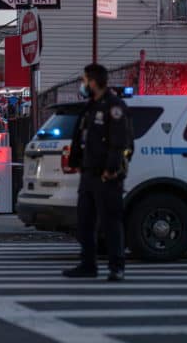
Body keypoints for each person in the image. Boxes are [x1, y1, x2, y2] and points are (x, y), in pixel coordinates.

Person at [63, 63, 133, 282]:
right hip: (88, 173)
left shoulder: (114, 106)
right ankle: (88, 264)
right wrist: (76, 161)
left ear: (93, 82)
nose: (83, 85)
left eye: (85, 80)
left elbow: (119, 141)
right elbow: (82, 137)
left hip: (107, 175)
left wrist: (111, 169)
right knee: (85, 221)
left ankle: (116, 267)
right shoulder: (90, 106)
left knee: (110, 222)